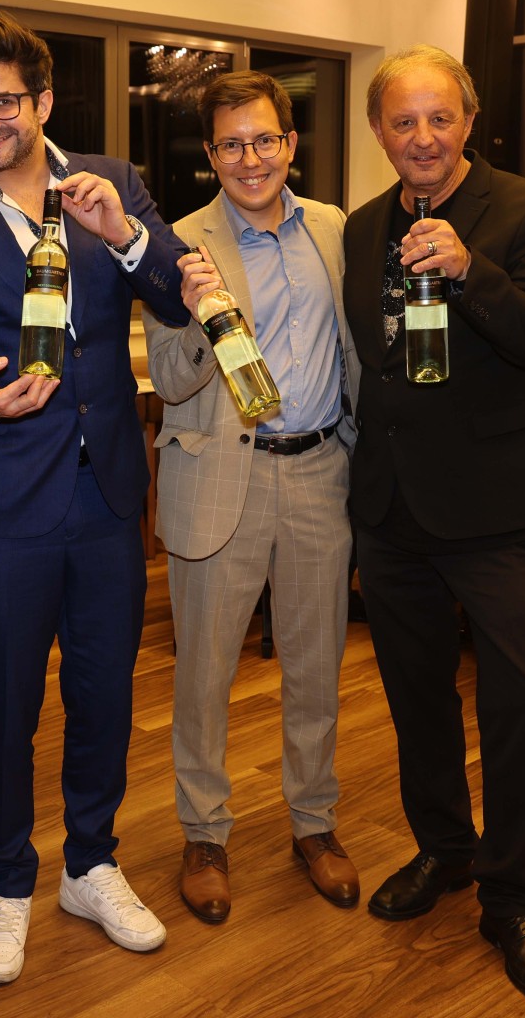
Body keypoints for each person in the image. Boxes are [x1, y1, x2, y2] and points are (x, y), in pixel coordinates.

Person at [0, 13, 189, 985]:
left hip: (107, 492)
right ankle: (8, 878)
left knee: (104, 694)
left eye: (3, 102)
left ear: (45, 101)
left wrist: (126, 234)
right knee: (4, 705)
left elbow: (177, 293)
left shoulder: (109, 181)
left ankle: (90, 863)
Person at [342, 45, 525, 1006]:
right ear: (379, 132)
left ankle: (511, 896)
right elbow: (375, 357)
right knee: (417, 700)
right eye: (404, 121)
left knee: (520, 706)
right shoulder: (364, 226)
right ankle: (444, 849)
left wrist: (472, 270)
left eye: (441, 118)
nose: (424, 138)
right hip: (392, 509)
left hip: (496, 513)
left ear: (470, 121)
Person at [142, 70, 360, 924]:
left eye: (265, 139)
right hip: (220, 476)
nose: (251, 158)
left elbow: (356, 350)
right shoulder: (177, 245)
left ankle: (314, 822)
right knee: (204, 673)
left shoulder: (335, 229)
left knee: (317, 666)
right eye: (231, 145)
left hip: (319, 473)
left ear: (291, 144)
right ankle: (204, 834)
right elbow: (168, 378)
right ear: (211, 155)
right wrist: (200, 315)